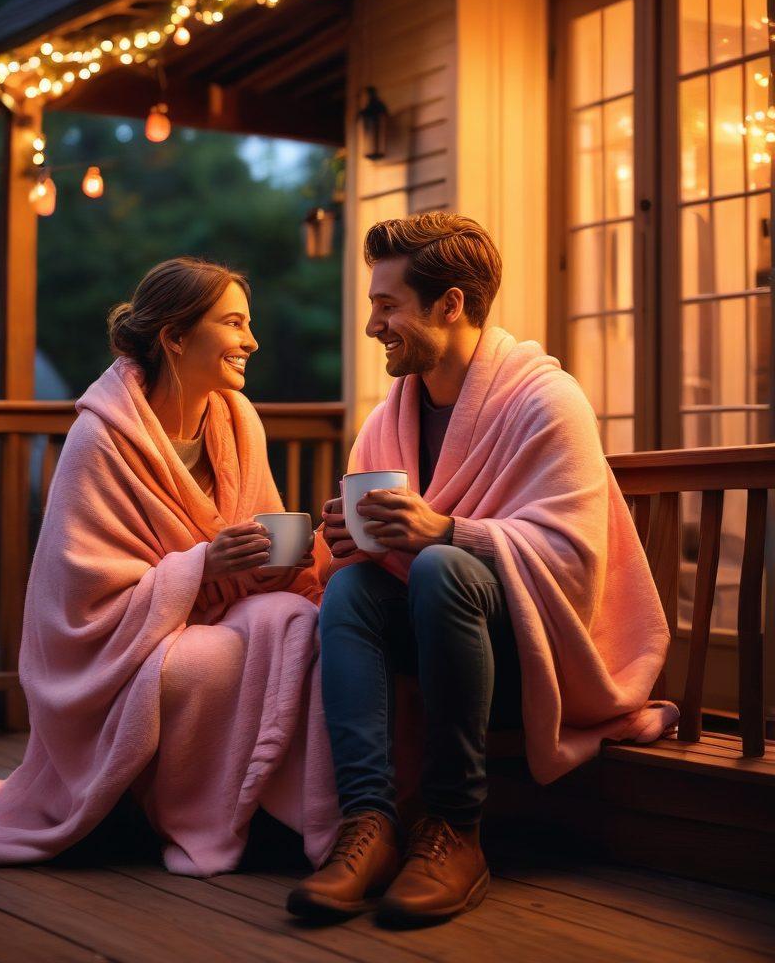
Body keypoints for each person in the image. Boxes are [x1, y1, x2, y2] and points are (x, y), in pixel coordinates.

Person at [0, 257, 339, 875]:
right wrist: (200, 566)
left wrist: (289, 558)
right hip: (119, 657)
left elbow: (258, 552)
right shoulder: (101, 439)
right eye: (233, 324)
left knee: (288, 618)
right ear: (174, 336)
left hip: (210, 620)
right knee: (220, 655)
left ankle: (286, 815)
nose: (251, 341)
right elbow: (80, 604)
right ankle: (204, 817)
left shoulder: (239, 422)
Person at [287, 212, 677, 926]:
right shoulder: (389, 417)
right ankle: (369, 824)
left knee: (443, 567)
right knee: (353, 589)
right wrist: (347, 539)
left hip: (534, 663)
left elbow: (574, 559)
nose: (374, 325)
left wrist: (447, 530)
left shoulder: (546, 403)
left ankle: (454, 829)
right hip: (433, 654)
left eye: (387, 305)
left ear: (451, 304)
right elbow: (373, 558)